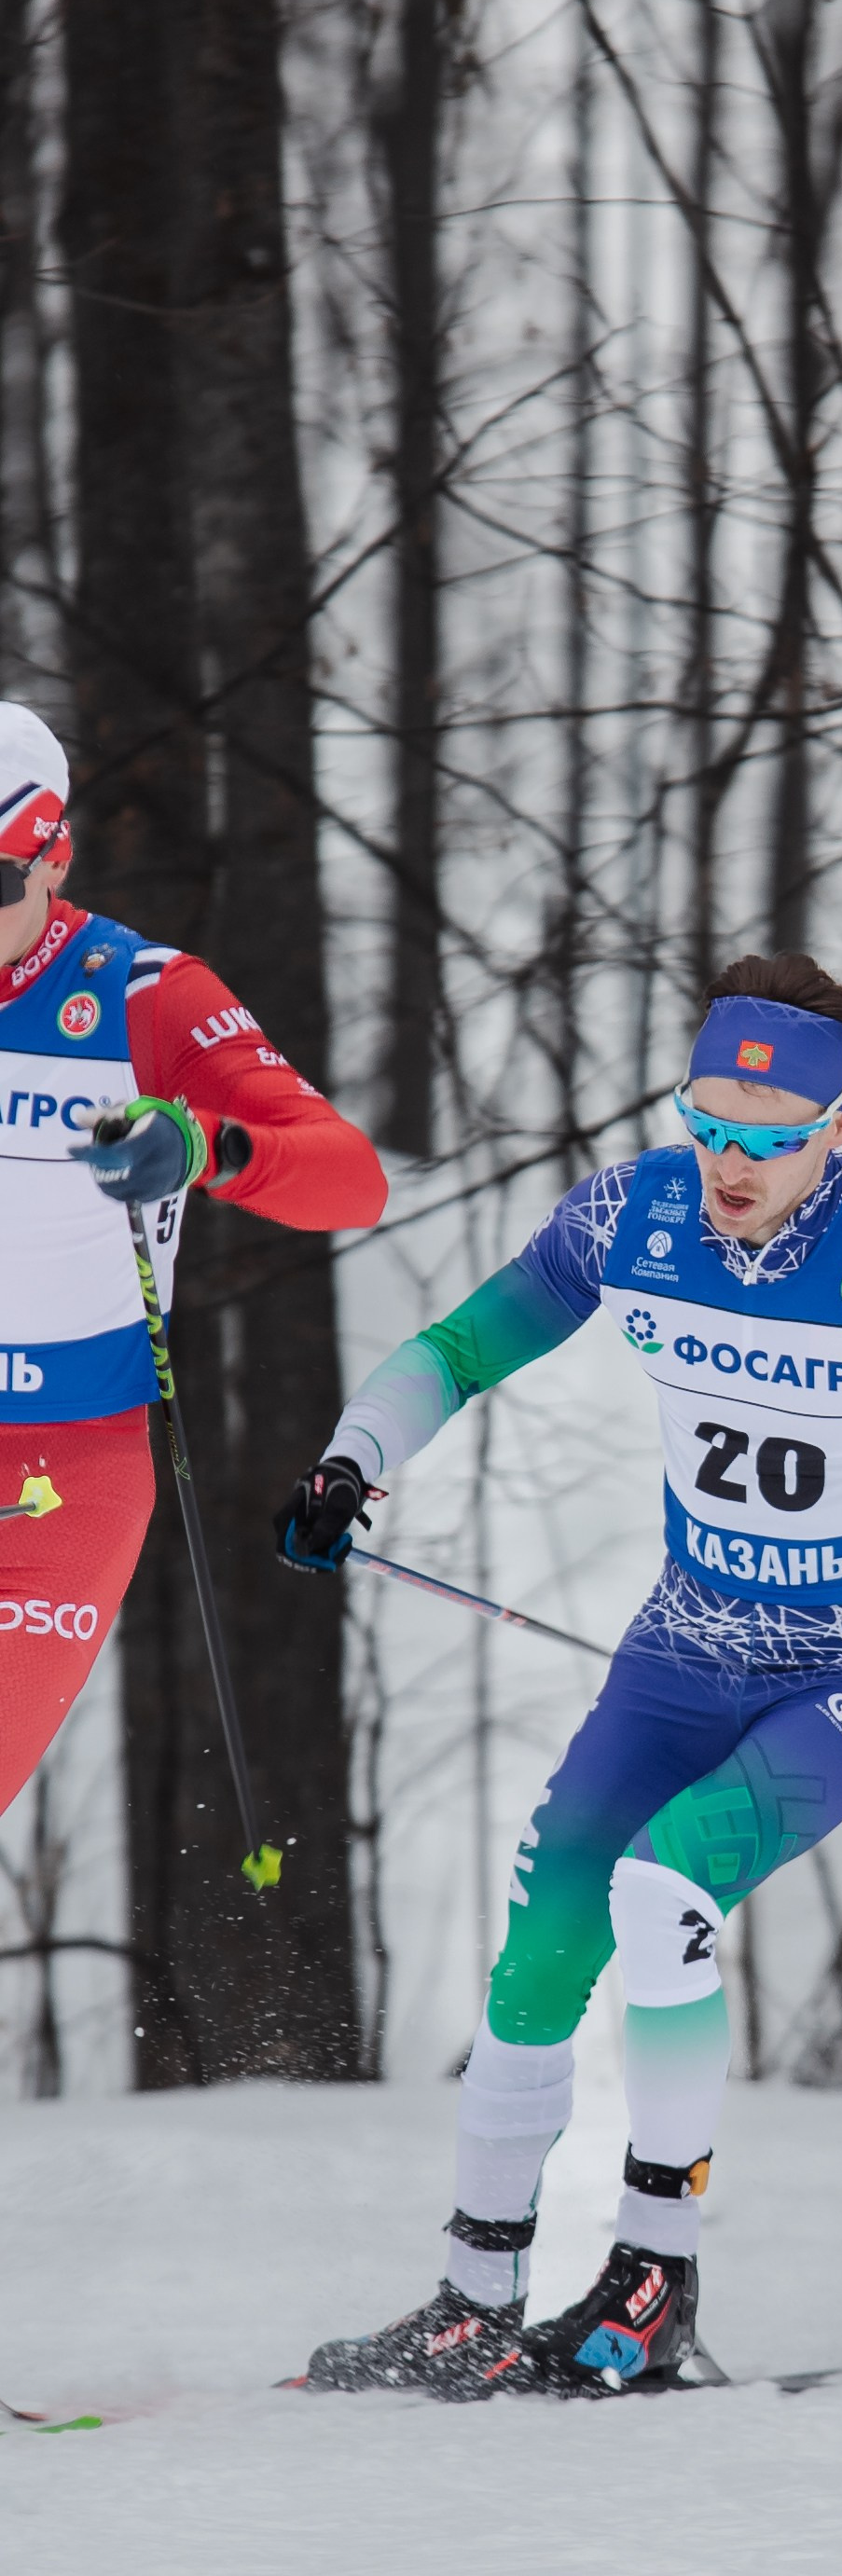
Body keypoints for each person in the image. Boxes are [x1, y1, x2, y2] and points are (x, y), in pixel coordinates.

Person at [283, 951, 842, 2400]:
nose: (732, 1165)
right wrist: (348, 1461)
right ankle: (475, 2296)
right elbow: (455, 1348)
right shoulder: (634, 1214)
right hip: (686, 1641)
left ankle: (650, 2284)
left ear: (835, 1125)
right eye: (710, 1128)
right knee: (547, 1934)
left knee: (664, 1888)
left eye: (769, 1138)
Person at [0, 699, 386, 1825]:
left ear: (52, 855)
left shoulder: (144, 996)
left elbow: (350, 1176)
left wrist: (207, 1146)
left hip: (67, 1468)